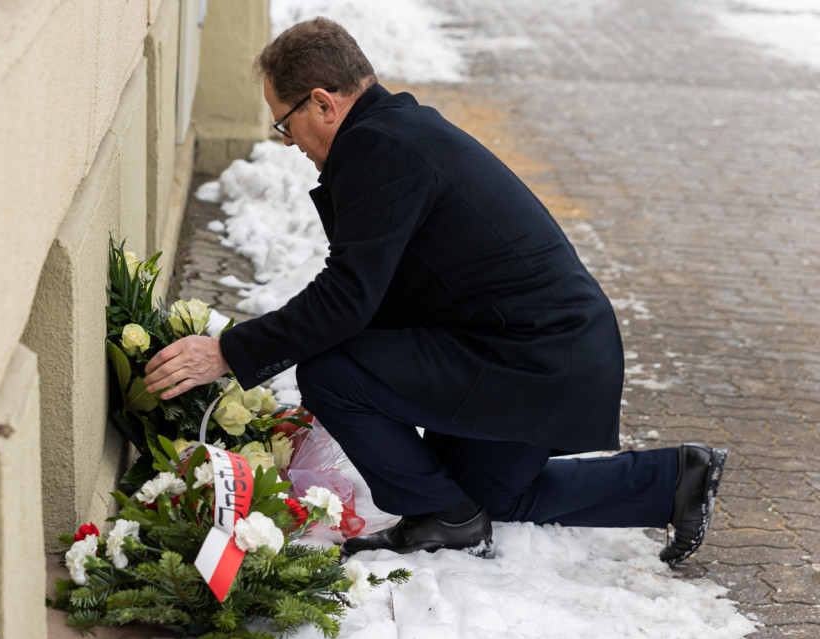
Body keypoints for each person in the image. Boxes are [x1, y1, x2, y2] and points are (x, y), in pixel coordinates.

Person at [144, 17, 726, 565]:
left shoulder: (381, 149)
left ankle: (439, 517)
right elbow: (373, 293)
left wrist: (227, 352)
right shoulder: (393, 133)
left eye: (284, 122)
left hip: (531, 356)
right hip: (539, 349)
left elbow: (347, 298)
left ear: (322, 102)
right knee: (485, 497)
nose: (288, 141)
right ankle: (674, 480)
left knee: (329, 372)